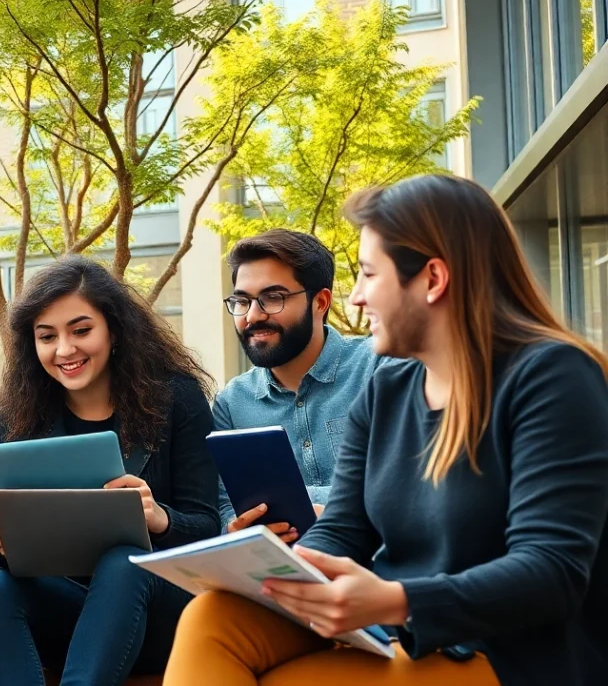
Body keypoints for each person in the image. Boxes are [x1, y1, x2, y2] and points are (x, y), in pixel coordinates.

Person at [163, 174, 608, 686]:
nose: (355, 300)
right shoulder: (389, 389)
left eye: (369, 275)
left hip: (506, 654)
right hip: (393, 627)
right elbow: (345, 528)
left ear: (433, 279)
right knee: (211, 615)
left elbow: (551, 571)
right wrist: (277, 569)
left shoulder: (552, 377)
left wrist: (398, 600)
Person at [0, 256, 220, 686]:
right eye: (46, 337)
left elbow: (207, 529)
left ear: (115, 331)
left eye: (81, 330)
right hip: (67, 610)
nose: (64, 350)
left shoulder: (177, 399)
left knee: (124, 561)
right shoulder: (15, 419)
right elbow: (0, 552)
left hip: (159, 611)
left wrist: (158, 517)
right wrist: (1, 545)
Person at [214, 229, 378, 541]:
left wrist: (309, 503)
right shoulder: (232, 404)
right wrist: (240, 525)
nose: (253, 315)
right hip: (277, 574)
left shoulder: (376, 368)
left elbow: (401, 485)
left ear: (320, 302)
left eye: (273, 298)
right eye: (241, 300)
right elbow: (226, 507)